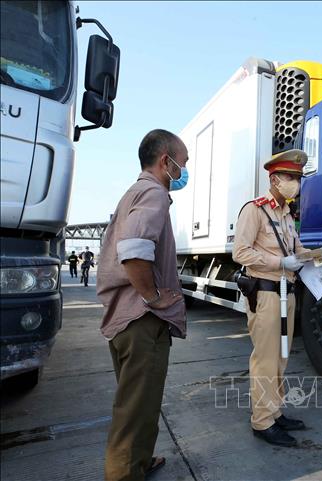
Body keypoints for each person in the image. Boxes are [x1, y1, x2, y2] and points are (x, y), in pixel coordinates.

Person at [97, 129, 189, 481]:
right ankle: (124, 474)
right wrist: (152, 296)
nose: (184, 170)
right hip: (141, 320)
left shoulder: (133, 193)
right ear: (166, 161)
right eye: (184, 162)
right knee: (135, 409)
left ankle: (139, 461)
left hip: (125, 319)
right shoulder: (153, 192)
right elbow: (134, 249)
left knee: (142, 402)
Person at [232, 149, 309, 447]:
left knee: (281, 358)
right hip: (265, 294)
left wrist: (317, 257)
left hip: (286, 293)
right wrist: (280, 264)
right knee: (265, 360)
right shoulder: (255, 210)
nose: (295, 183)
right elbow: (241, 252)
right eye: (290, 177)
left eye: (298, 178)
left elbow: (297, 249)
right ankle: (262, 422)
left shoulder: (287, 215)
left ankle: (274, 412)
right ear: (275, 179)